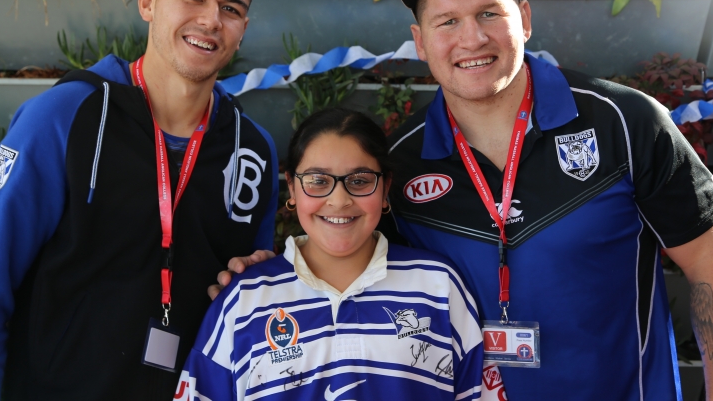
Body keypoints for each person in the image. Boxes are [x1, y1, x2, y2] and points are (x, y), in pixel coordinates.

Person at [385, 0, 713, 399]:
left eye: (489, 13)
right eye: (448, 21)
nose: (472, 38)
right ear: (420, 41)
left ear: (525, 19)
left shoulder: (623, 122)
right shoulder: (399, 164)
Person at [0, 0, 278, 399]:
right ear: (149, 3)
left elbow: (250, 314)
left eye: (231, 8)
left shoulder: (255, 151)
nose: (211, 20)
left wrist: (253, 280)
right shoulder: (63, 116)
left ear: (243, 30)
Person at [178, 109, 486, 400]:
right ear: (293, 190)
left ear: (385, 188)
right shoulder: (244, 299)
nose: (339, 200)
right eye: (317, 181)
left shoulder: (438, 286)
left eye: (360, 181)